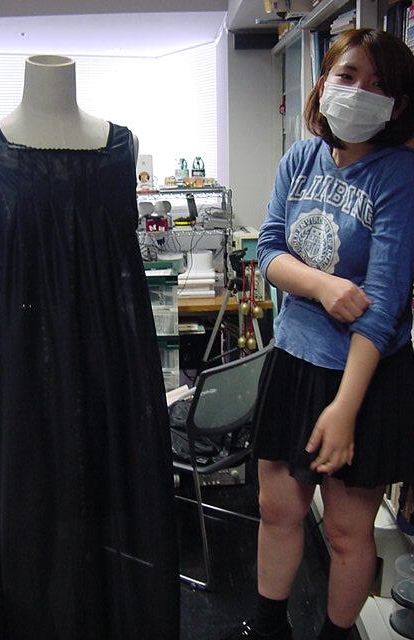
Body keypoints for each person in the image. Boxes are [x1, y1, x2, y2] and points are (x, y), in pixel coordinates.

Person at [0, 55, 179, 639]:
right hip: (19, 377)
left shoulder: (123, 149)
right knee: (28, 523)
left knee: (106, 523)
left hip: (107, 372)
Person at [224, 28, 414, 640]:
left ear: (398, 106)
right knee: (277, 510)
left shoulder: (399, 175)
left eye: (378, 86)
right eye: (348, 76)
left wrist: (345, 409)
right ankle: (268, 627)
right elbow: (268, 249)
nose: (359, 92)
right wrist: (325, 286)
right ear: (324, 80)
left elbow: (383, 307)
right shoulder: (300, 159)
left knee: (346, 532)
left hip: (364, 377)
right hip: (294, 359)